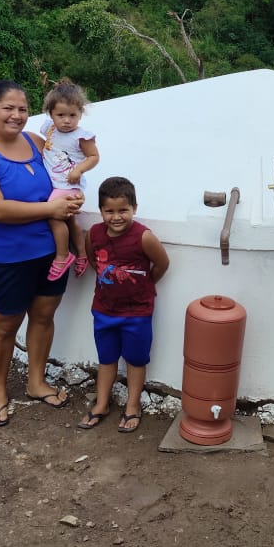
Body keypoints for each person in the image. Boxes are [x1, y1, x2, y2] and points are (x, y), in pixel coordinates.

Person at [0, 80, 85, 428]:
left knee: (43, 316)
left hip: (51, 252)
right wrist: (51, 210)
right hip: (7, 257)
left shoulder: (36, 142)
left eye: (23, 109)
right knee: (6, 324)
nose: (16, 115)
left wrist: (73, 194)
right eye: (8, 108)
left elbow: (63, 177)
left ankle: (36, 382)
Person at [77, 176, 169, 434]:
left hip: (137, 313)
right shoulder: (94, 234)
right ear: (101, 210)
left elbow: (162, 264)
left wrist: (144, 287)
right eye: (109, 211)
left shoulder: (144, 237)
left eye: (123, 210)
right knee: (106, 358)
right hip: (103, 310)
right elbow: (95, 261)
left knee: (136, 360)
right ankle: (102, 403)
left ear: (134, 208)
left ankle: (132, 405)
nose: (116, 217)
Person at [39, 79, 99, 282]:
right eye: (61, 115)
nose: (66, 120)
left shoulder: (82, 137)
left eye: (72, 115)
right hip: (57, 185)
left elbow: (94, 157)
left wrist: (79, 170)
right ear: (51, 114)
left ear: (80, 113)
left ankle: (63, 255)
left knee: (53, 216)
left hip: (69, 186)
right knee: (70, 220)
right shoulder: (49, 129)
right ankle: (81, 254)